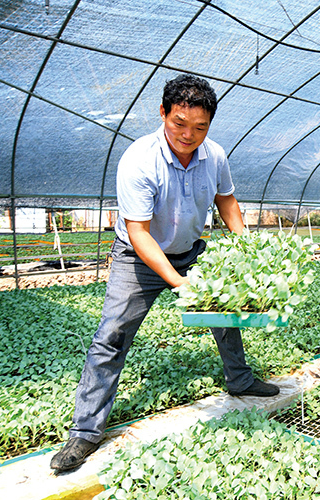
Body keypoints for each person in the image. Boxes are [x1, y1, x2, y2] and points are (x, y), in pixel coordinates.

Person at [50, 75, 279, 473]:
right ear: (163, 113)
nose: (189, 135)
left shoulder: (216, 156)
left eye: (200, 127)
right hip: (138, 255)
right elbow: (138, 232)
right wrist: (179, 283)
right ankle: (86, 431)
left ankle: (240, 380)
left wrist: (249, 247)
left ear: (210, 124)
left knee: (226, 315)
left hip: (191, 249)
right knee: (112, 333)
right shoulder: (139, 160)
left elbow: (227, 201)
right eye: (179, 123)